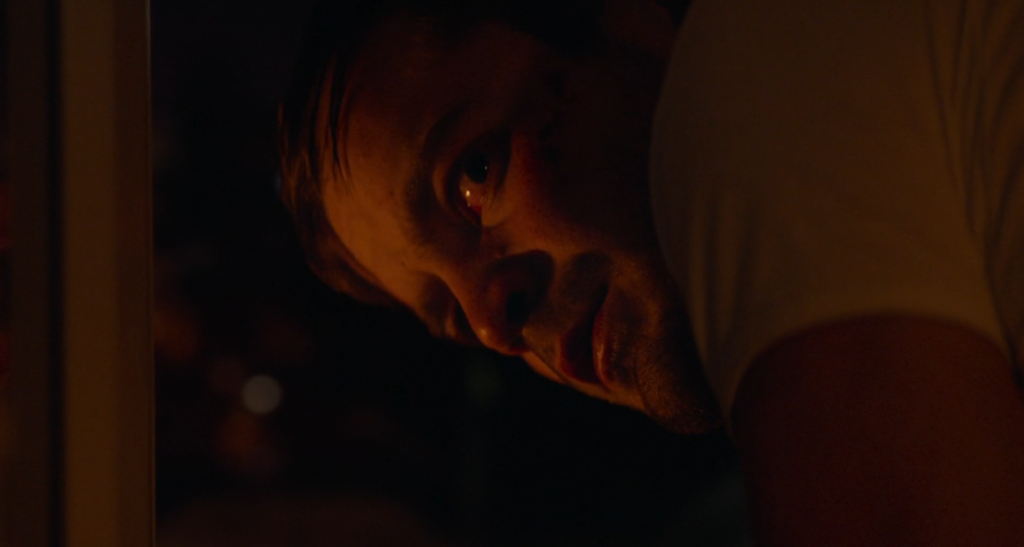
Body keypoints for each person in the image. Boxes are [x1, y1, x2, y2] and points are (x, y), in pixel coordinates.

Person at [277, 0, 1024, 543]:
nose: (492, 320)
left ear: (625, 16)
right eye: (452, 317)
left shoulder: (750, 85)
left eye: (475, 175)